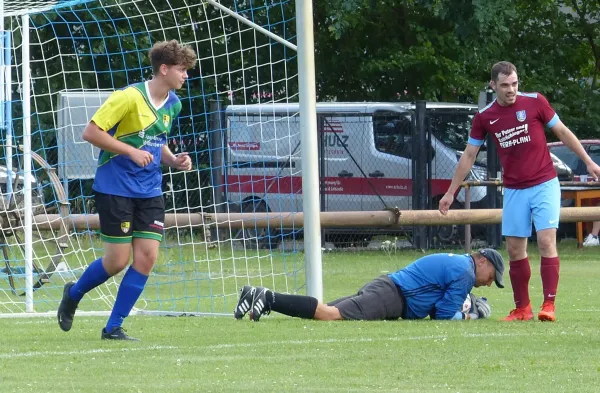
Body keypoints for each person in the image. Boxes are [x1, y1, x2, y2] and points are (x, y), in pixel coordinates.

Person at [57, 40, 197, 340]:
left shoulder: (174, 103)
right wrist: (130, 152)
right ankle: (74, 293)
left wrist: (173, 160)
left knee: (146, 257)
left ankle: (113, 327)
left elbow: (156, 142)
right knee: (117, 261)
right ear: (164, 69)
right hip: (115, 187)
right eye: (182, 70)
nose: (185, 76)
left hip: (149, 190)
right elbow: (90, 132)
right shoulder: (128, 97)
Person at [439, 61, 600, 322]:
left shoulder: (535, 102)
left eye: (514, 83)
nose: (511, 89)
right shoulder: (485, 117)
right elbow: (469, 155)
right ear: (493, 86)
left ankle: (549, 305)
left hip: (545, 184)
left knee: (547, 241)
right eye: (504, 85)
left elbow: (562, 131)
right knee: (515, 250)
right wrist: (450, 192)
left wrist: (590, 162)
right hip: (514, 189)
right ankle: (522, 308)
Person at [234, 249, 504, 322]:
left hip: (387, 289)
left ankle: (257, 295)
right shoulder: (466, 271)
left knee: (326, 310)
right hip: (391, 297)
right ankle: (268, 298)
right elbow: (444, 315)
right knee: (328, 315)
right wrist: (469, 315)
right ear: (481, 261)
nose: (490, 283)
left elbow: (437, 308)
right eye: (492, 275)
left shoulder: (459, 264)